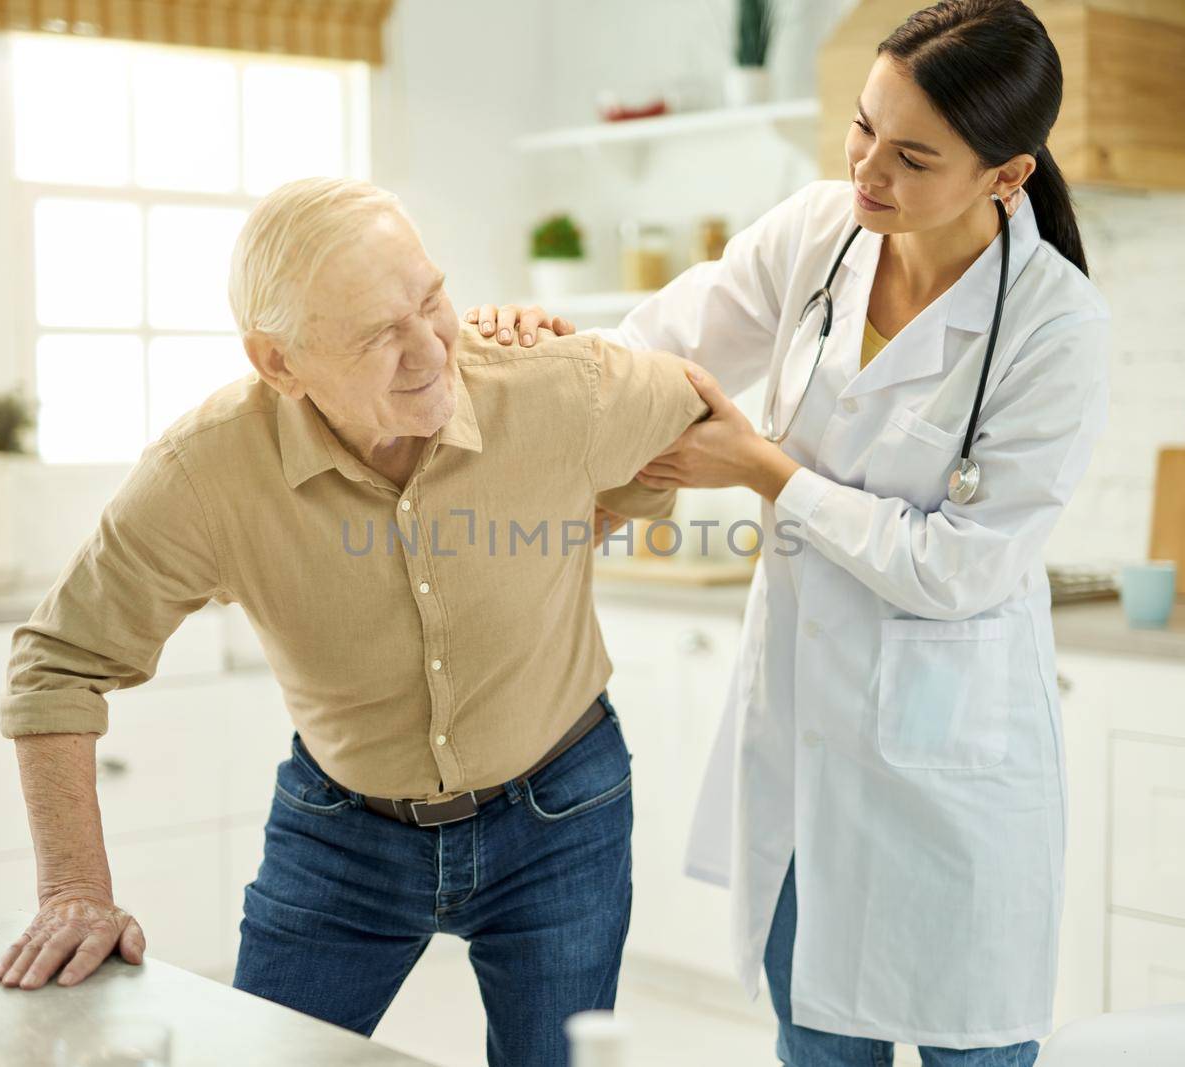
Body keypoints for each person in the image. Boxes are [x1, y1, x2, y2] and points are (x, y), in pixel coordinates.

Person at [467, 1, 1109, 1063]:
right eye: (863, 127)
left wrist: (763, 470)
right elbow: (660, 350)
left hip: (950, 772)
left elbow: (956, 565)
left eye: (911, 156)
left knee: (972, 1047)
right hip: (808, 750)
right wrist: (546, 349)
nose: (868, 172)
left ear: (1006, 176)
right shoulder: (820, 230)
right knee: (809, 1039)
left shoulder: (1055, 327)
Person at [0, 176, 706, 1067]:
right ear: (278, 363)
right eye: (376, 335)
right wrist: (74, 890)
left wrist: (596, 508)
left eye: (431, 299)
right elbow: (57, 662)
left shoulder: (560, 385)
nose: (428, 351)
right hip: (343, 837)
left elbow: (697, 413)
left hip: (560, 810)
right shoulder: (206, 473)